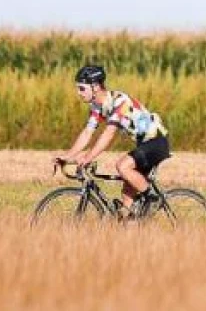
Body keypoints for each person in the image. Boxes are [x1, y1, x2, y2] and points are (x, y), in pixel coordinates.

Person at [54, 63, 170, 218]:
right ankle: (131, 231)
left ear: (95, 87)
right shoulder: (97, 106)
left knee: (122, 166)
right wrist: (67, 156)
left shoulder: (119, 102)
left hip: (156, 142)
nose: (79, 93)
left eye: (82, 88)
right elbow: (88, 132)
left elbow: (108, 134)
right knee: (126, 202)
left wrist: (88, 157)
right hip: (144, 145)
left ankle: (153, 199)